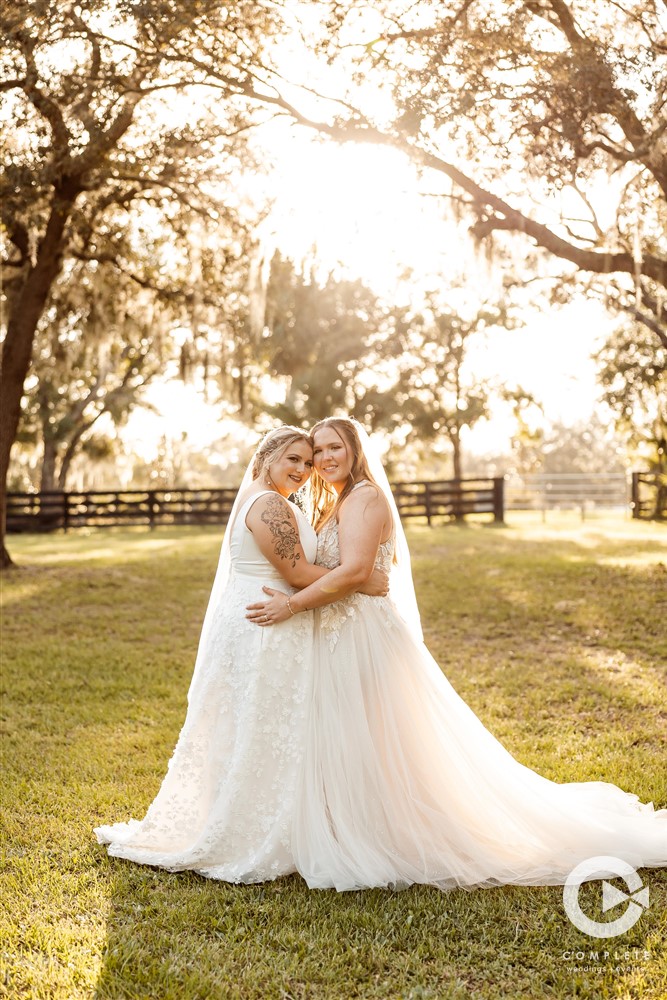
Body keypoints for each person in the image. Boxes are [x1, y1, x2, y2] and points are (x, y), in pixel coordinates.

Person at [247, 417, 667, 891]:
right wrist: (349, 579)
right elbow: (352, 572)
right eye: (316, 451)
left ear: (354, 450)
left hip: (362, 634)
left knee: (376, 736)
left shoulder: (363, 496)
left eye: (332, 448)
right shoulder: (337, 499)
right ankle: (347, 823)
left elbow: (355, 571)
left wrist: (292, 603)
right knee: (354, 734)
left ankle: (380, 832)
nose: (323, 459)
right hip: (342, 629)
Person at [95, 425, 388, 883]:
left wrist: (349, 574)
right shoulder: (269, 503)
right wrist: (360, 577)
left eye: (307, 461)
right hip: (265, 621)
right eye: (293, 458)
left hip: (265, 618)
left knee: (261, 724)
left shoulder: (273, 498)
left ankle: (273, 820)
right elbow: (294, 572)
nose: (303, 468)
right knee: (260, 723)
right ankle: (250, 829)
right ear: (267, 456)